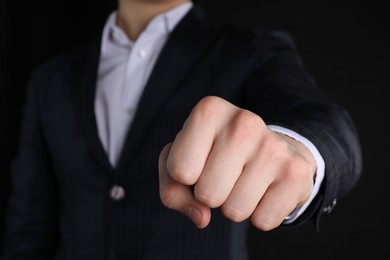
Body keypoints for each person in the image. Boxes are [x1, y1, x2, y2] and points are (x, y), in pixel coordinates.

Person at [0, 0, 363, 259]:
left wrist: (298, 149)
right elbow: (29, 226)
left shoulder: (249, 50)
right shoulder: (49, 79)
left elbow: (325, 121)